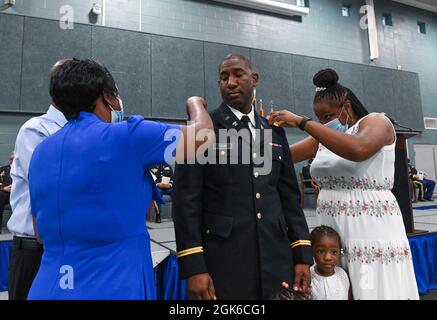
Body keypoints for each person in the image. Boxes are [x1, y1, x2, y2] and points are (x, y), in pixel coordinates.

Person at [27, 58, 213, 300]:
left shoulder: (41, 152)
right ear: (107, 96)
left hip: (48, 286)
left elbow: (39, 232)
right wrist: (195, 104)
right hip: (114, 283)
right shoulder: (128, 137)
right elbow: (203, 136)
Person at [269, 68, 419, 299]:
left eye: (327, 117)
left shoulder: (377, 121)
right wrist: (266, 134)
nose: (323, 124)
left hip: (369, 228)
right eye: (318, 119)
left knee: (369, 285)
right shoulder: (325, 136)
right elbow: (281, 156)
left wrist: (303, 123)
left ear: (346, 107)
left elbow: (358, 149)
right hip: (333, 225)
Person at [173, 54, 312, 300]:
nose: (230, 82)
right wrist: (194, 266)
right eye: (223, 77)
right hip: (225, 260)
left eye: (238, 74)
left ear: (254, 78)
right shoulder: (200, 130)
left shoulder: (273, 132)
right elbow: (185, 203)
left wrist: (301, 253)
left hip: (275, 255)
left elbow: (289, 199)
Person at [7, 60, 70, 300]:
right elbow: (52, 184)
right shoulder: (36, 129)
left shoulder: (80, 130)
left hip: (66, 247)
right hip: (34, 249)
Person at [309, 225, 351, 300]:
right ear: (312, 251)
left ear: (339, 252)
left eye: (334, 252)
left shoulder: (343, 275)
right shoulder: (308, 277)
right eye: (321, 251)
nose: (328, 257)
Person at [0, 153, 13, 232]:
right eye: (11, 159)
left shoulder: (22, 170)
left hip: (19, 193)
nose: (12, 160)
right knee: (0, 195)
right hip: (6, 193)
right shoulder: (3, 169)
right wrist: (4, 188)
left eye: (14, 159)